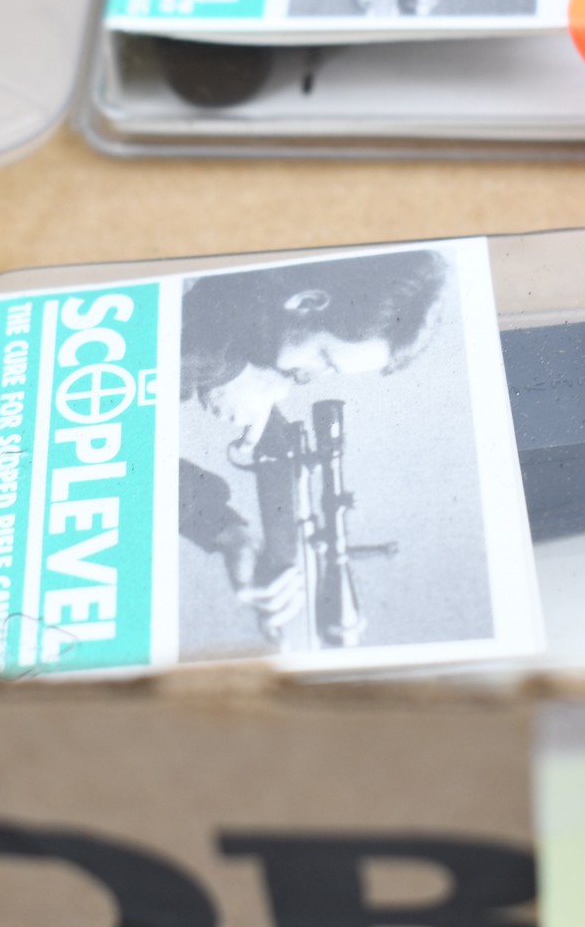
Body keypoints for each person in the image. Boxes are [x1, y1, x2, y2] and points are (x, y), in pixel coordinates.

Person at [178, 249, 447, 639]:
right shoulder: (203, 305)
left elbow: (118, 461)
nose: (306, 377)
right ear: (305, 302)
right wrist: (222, 372)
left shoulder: (245, 335)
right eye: (323, 358)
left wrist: (226, 532)